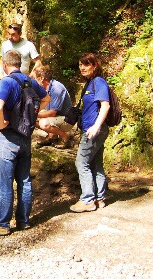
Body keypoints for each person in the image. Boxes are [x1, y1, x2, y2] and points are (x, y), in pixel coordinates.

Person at [0, 50, 50, 236]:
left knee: (4, 183)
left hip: (7, 138)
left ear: (5, 64)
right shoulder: (29, 81)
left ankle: (2, 224)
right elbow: (46, 99)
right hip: (25, 138)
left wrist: (2, 122)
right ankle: (23, 221)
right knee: (24, 180)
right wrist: (31, 116)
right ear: (19, 63)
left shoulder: (6, 82)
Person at [70, 53, 111, 213]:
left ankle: (87, 200)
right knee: (95, 163)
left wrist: (95, 126)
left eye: (86, 65)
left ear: (94, 66)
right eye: (80, 65)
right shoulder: (90, 84)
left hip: (94, 130)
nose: (82, 68)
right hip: (93, 129)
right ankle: (99, 198)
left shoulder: (99, 82)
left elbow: (105, 105)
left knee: (81, 162)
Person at [30, 64, 73, 143]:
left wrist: (34, 114)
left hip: (66, 119)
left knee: (43, 123)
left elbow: (52, 113)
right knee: (30, 118)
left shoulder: (56, 88)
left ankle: (65, 137)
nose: (33, 81)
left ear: (42, 78)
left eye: (34, 78)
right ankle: (52, 136)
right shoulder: (45, 88)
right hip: (56, 116)